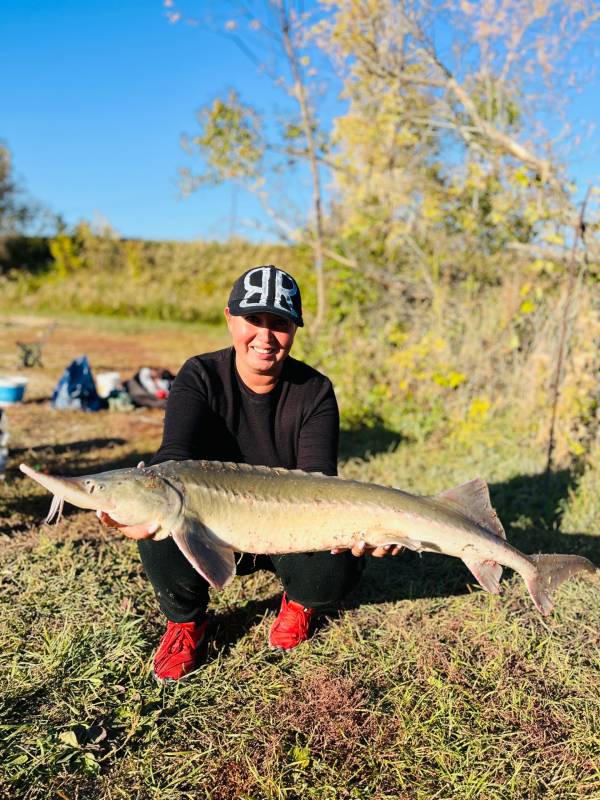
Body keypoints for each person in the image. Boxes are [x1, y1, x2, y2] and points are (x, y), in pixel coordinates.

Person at [101, 265, 400, 682]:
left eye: (279, 323)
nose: (264, 336)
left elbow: (319, 482)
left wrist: (368, 534)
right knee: (160, 515)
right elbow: (173, 455)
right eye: (253, 320)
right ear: (229, 319)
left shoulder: (314, 391)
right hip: (208, 524)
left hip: (287, 528)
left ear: (295, 330)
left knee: (334, 564)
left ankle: (300, 601)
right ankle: (186, 622)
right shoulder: (199, 375)